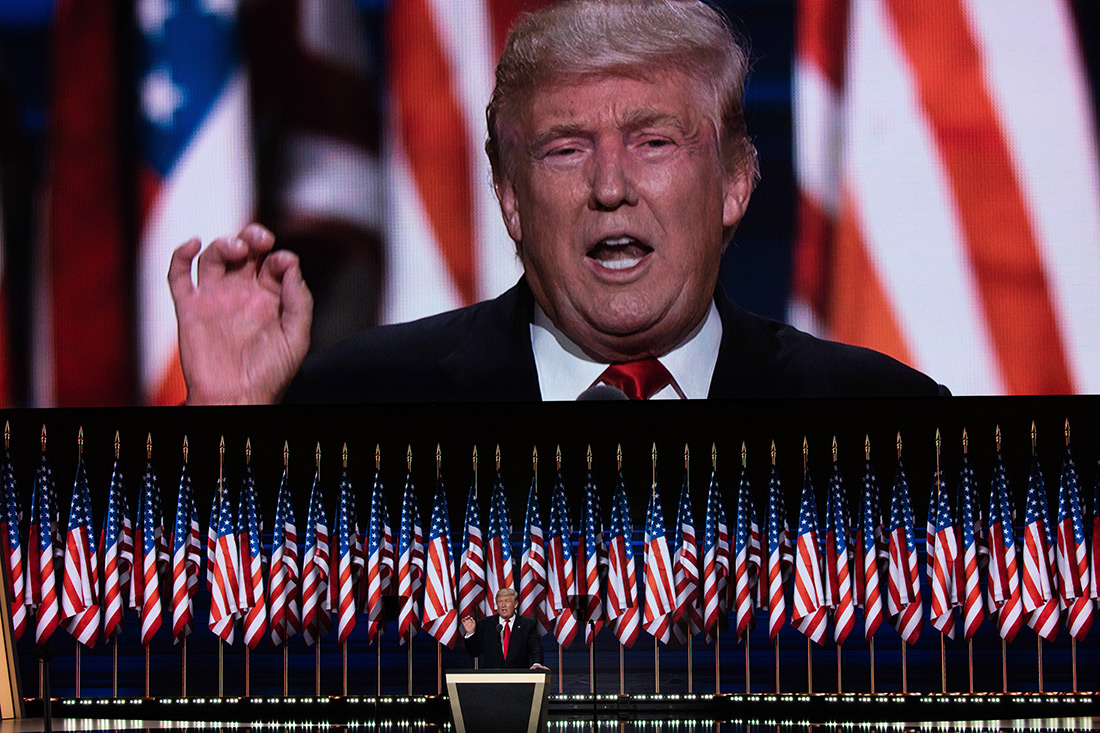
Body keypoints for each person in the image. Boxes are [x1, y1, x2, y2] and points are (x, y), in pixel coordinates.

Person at [168, 0, 947, 404]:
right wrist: (230, 422)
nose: (611, 187)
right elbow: (214, 671)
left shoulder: (883, 417)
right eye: (566, 149)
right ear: (510, 198)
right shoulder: (360, 402)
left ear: (736, 183)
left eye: (654, 141)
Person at [461, 588, 547, 670]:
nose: (503, 605)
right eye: (500, 601)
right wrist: (471, 633)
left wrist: (537, 663)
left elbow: (535, 647)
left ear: (515, 604)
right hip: (492, 678)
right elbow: (474, 652)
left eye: (507, 601)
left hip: (518, 678)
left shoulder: (527, 625)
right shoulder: (486, 624)